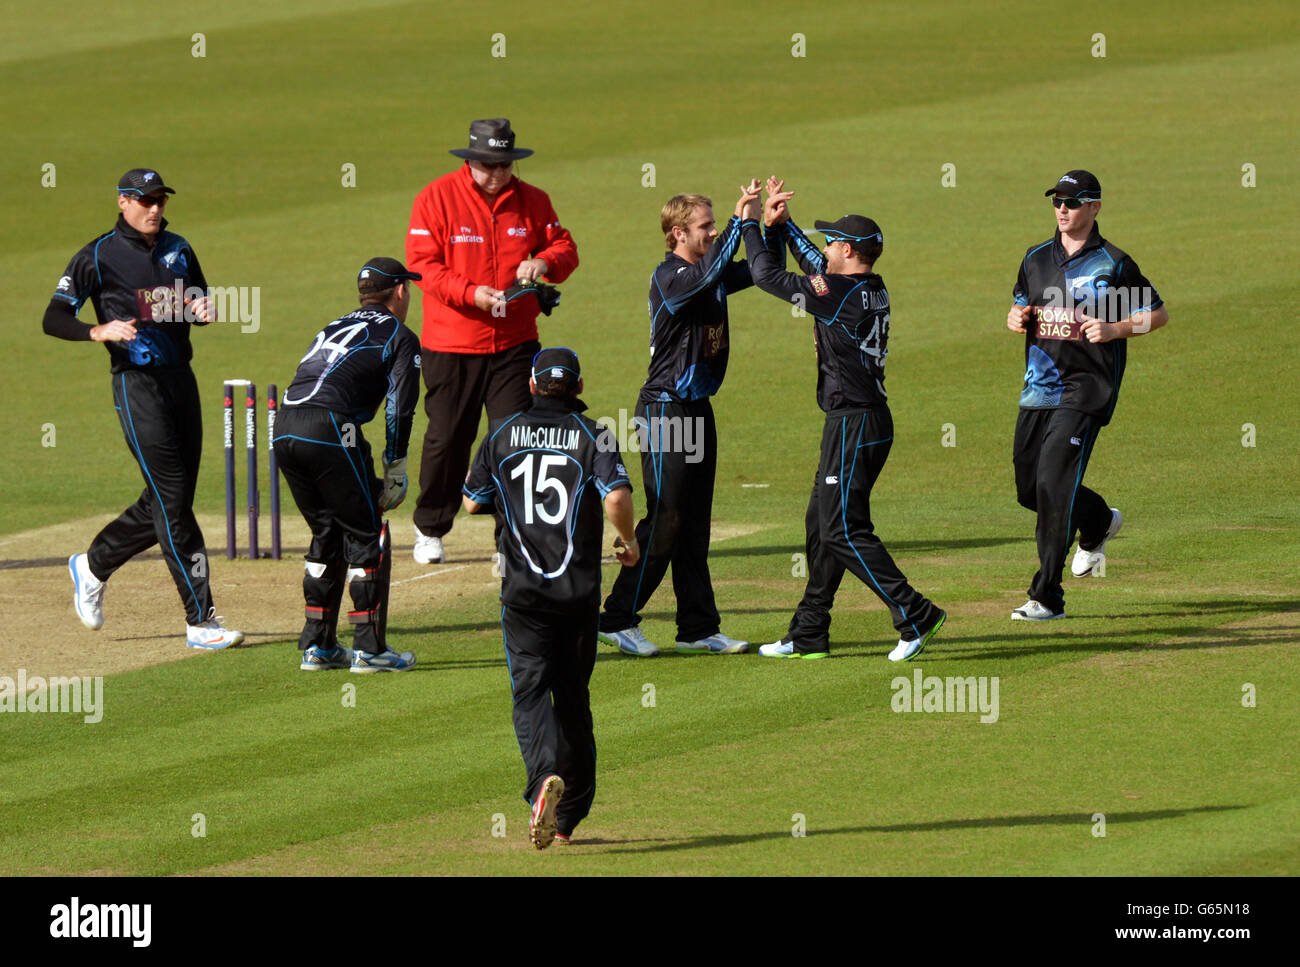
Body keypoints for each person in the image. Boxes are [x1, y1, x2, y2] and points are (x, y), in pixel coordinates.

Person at [741, 177, 946, 661]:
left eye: (833, 241)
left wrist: (750, 224)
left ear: (849, 252)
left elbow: (769, 278)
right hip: (862, 422)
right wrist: (784, 227)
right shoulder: (866, 286)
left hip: (854, 424)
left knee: (842, 530)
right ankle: (809, 631)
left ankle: (915, 613)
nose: (826, 246)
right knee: (822, 521)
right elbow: (815, 269)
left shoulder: (839, 293)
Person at [46, 168, 243, 649]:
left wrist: (203, 308)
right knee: (174, 504)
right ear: (122, 202)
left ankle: (92, 565)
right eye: (145, 200)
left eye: (160, 200)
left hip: (182, 382)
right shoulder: (97, 255)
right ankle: (201, 622)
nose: (155, 209)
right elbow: (54, 316)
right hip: (137, 387)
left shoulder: (179, 246)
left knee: (166, 500)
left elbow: (197, 295)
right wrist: (96, 331)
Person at [462, 347, 638, 849]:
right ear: (578, 389)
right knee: (573, 700)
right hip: (578, 596)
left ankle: (543, 778)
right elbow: (618, 496)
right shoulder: (594, 434)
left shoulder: (502, 431)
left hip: (521, 596)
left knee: (531, 693)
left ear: (534, 386)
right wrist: (627, 542)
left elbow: (472, 500)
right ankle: (569, 816)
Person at [406, 118, 579, 566]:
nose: (499, 173)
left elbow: (565, 247)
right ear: (471, 160)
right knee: (447, 439)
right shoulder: (435, 197)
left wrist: (543, 261)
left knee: (515, 439)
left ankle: (511, 539)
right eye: (490, 165)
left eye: (505, 165)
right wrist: (471, 294)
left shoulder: (534, 200)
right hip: (451, 342)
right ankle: (430, 528)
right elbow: (423, 266)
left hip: (516, 343)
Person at [595, 187, 758, 658]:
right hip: (665, 411)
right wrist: (736, 219)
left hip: (696, 408)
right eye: (704, 226)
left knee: (694, 524)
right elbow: (710, 277)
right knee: (666, 518)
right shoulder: (672, 276)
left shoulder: (710, 273)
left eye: (713, 226)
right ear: (678, 233)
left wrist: (767, 225)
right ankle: (616, 617)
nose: (711, 232)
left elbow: (758, 269)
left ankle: (697, 626)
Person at [1005, 170, 1167, 620]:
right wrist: (1017, 317)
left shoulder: (1112, 264)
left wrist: (1115, 328)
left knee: (1054, 485)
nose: (1062, 209)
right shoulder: (1036, 257)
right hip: (1039, 389)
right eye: (1057, 201)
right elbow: (1022, 303)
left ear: (1094, 208)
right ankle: (1097, 522)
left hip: (1087, 389)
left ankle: (1046, 597)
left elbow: (1156, 314)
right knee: (1029, 489)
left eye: (1072, 203)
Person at [271, 258, 423, 672]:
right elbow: (400, 406)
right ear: (401, 292)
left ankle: (318, 646)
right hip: (330, 428)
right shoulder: (399, 333)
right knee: (366, 532)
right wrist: (395, 465)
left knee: (326, 530)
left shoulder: (332, 325)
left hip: (284, 426)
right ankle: (370, 650)